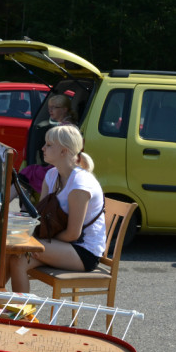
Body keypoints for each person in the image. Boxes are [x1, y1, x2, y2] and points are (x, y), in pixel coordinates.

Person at [8, 125, 106, 293]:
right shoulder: (52, 175)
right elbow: (41, 215)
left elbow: (73, 234)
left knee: (20, 251)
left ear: (64, 151)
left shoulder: (80, 185)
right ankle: (0, 304)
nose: (43, 148)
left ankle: (18, 313)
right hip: (60, 243)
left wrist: (39, 243)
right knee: (14, 256)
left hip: (83, 251)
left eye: (49, 145)